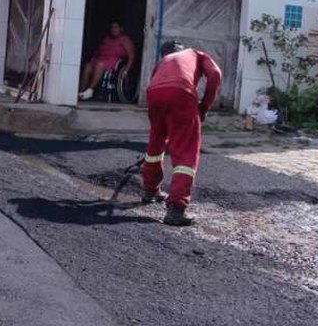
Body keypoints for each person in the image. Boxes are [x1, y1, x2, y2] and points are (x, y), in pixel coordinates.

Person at [142, 40, 222, 226]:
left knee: (156, 142)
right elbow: (215, 74)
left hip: (154, 95)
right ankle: (176, 208)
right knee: (186, 151)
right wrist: (204, 106)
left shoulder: (162, 62)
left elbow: (154, 86)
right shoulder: (197, 54)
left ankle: (150, 190)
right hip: (181, 92)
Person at [78, 21, 135, 100]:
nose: (113, 30)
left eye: (116, 27)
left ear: (121, 29)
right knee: (88, 66)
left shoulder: (125, 40)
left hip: (114, 62)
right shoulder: (107, 39)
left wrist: (126, 71)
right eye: (112, 28)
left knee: (100, 65)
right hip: (100, 59)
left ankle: (90, 90)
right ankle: (81, 91)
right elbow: (99, 50)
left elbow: (131, 57)